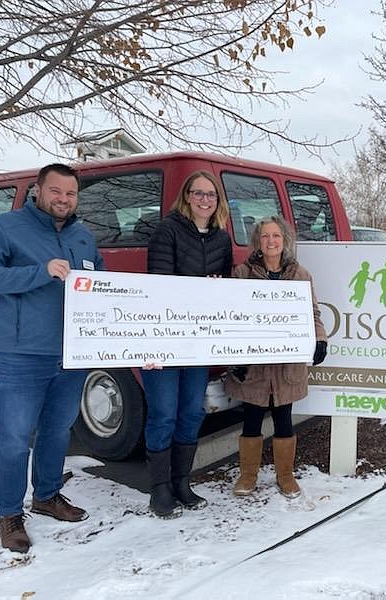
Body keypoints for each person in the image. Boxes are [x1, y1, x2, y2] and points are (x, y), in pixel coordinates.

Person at [0, 163, 104, 553]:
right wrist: (38, 272)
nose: (63, 199)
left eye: (71, 193)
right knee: (12, 439)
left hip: (70, 355)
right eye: (56, 191)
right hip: (20, 354)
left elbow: (101, 285)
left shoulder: (82, 236)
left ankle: (46, 495)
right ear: (38, 190)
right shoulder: (4, 228)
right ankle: (9, 513)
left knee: (58, 431)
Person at [142, 171, 232, 518]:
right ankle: (159, 489)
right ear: (187, 196)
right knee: (163, 413)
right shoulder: (167, 230)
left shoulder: (222, 239)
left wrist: (216, 286)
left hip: (199, 339)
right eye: (199, 193)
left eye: (211, 195)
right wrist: (198, 286)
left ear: (217, 201)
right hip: (164, 335)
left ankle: (182, 481)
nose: (205, 200)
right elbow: (160, 284)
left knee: (192, 411)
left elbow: (223, 286)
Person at [226, 216, 327, 499]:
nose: (271, 241)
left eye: (276, 236)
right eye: (265, 236)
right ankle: (248, 475)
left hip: (286, 363)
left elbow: (313, 313)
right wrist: (234, 356)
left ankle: (285, 475)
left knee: (284, 417)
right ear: (258, 241)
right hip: (254, 363)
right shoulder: (243, 273)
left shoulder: (300, 275)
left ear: (285, 240)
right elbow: (230, 316)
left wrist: (320, 339)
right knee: (252, 417)